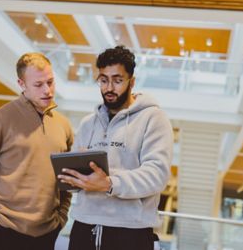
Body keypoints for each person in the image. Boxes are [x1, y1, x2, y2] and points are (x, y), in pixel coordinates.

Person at [58, 46, 173, 250]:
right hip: (83, 227)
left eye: (117, 80)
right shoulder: (87, 123)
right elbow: (75, 176)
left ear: (132, 82)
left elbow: (157, 174)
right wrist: (74, 175)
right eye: (103, 80)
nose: (109, 88)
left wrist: (109, 183)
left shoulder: (154, 119)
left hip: (130, 233)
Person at [0, 53, 73, 250]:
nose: (47, 90)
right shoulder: (0, 120)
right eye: (38, 85)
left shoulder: (63, 125)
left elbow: (66, 179)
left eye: (50, 82)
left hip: (46, 236)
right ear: (22, 84)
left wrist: (60, 219)